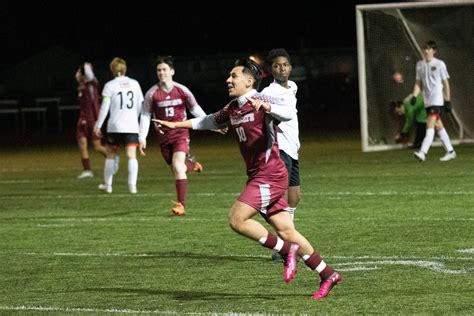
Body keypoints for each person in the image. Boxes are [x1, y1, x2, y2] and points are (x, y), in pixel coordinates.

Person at [153, 58, 341, 299]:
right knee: (287, 230)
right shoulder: (234, 107)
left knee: (236, 219)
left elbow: (288, 113)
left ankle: (286, 251)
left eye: (233, 76)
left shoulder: (262, 101)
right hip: (258, 175)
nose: (228, 80)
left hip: (270, 174)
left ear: (249, 81)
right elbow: (208, 120)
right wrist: (174, 124)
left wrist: (268, 108)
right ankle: (327, 274)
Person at [139, 56, 207, 216]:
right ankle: (192, 165)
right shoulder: (151, 93)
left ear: (172, 71)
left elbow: (195, 109)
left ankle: (181, 205)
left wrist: (210, 123)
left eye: (164, 69)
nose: (161, 73)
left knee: (177, 166)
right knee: (178, 169)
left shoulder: (182, 90)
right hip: (163, 137)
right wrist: (142, 137)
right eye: (158, 70)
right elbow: (145, 115)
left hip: (180, 134)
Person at [94, 57, 144, 194]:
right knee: (131, 155)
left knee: (110, 155)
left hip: (114, 125)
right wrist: (135, 117)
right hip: (131, 125)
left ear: (112, 69)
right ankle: (132, 186)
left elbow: (104, 108)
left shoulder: (109, 85)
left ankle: (108, 185)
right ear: (124, 69)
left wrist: (98, 125)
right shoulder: (135, 83)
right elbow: (141, 104)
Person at [412, 40, 456, 162]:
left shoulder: (440, 64)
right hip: (427, 100)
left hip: (437, 99)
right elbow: (418, 82)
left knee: (430, 124)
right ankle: (450, 151)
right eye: (424, 48)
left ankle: (422, 152)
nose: (426, 51)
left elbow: (446, 83)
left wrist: (447, 100)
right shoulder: (419, 65)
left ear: (434, 51)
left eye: (429, 49)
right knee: (438, 125)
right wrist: (414, 96)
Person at [75, 62, 107, 179]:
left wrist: (85, 66)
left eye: (78, 72)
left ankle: (113, 158)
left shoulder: (91, 84)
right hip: (82, 119)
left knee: (97, 147)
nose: (76, 74)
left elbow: (89, 74)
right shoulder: (81, 85)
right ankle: (87, 170)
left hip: (92, 119)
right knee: (82, 145)